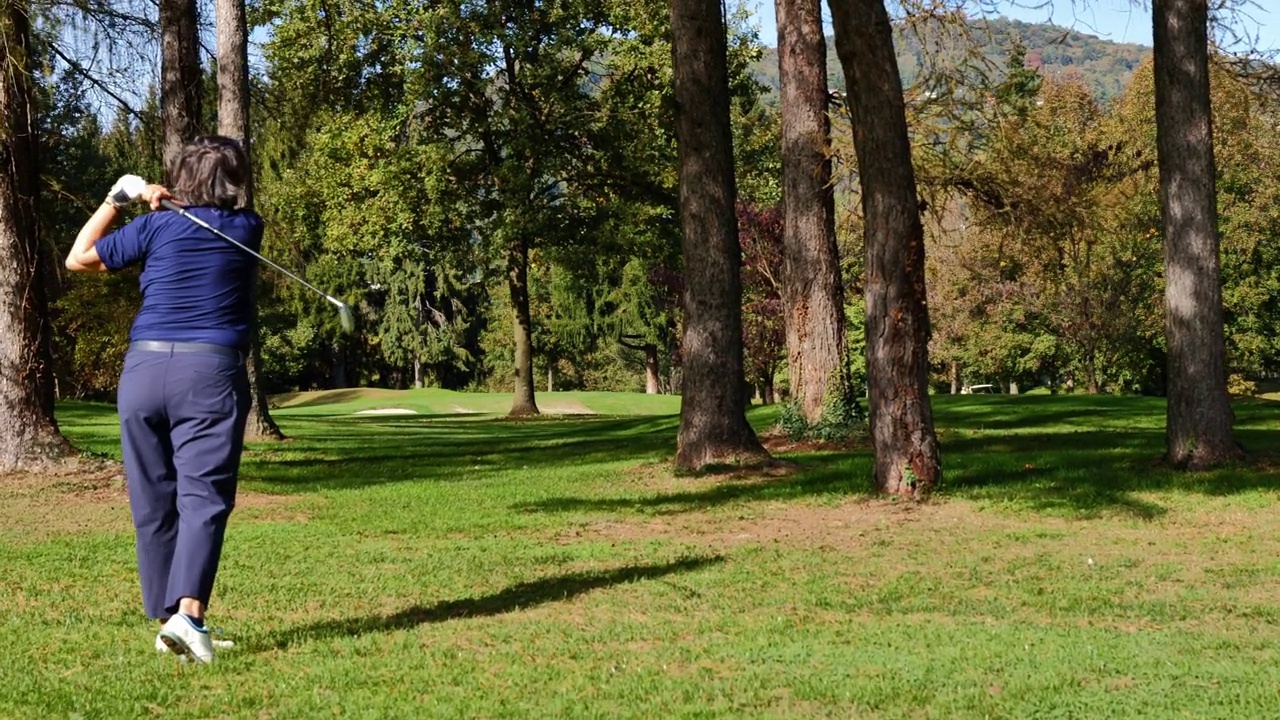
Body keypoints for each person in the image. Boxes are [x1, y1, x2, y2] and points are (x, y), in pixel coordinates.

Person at [65, 136, 263, 664]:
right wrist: (159, 200)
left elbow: (78, 257)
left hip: (144, 372)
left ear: (183, 178)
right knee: (202, 498)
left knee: (153, 500)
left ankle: (170, 621)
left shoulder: (156, 226)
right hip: (208, 373)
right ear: (232, 181)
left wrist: (119, 197)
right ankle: (189, 618)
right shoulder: (247, 229)